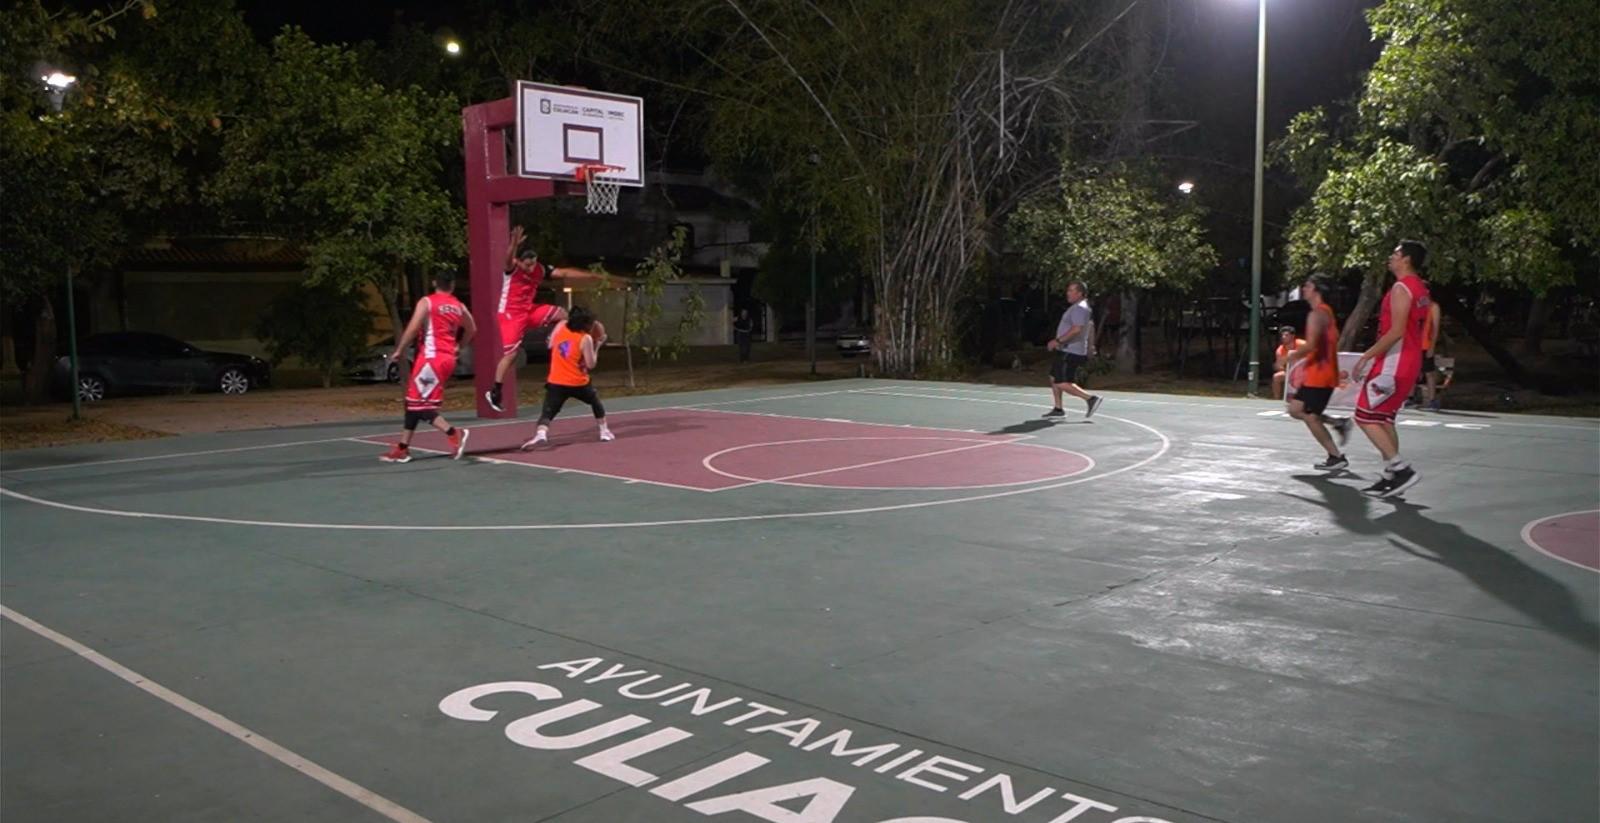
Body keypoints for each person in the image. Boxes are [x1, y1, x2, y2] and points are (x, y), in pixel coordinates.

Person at [486, 225, 610, 412]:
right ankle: (495, 392)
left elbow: (565, 273)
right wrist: (513, 244)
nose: (530, 268)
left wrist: (591, 275)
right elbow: (508, 256)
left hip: (529, 310)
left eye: (533, 264)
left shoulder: (540, 270)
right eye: (527, 265)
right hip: (510, 314)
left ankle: (555, 338)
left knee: (562, 314)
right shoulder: (512, 267)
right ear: (520, 261)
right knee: (511, 355)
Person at [1351, 240, 1433, 498]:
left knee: (1364, 417)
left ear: (1406, 259)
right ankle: (1390, 476)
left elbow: (1396, 332)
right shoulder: (1420, 288)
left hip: (1393, 361)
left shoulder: (1401, 288)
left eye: (1395, 253)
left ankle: (1400, 468)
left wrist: (1365, 356)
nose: (1391, 257)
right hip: (1409, 361)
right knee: (1385, 419)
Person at [381, 271, 477, 463]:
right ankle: (403, 447)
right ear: (452, 286)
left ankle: (453, 433)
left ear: (435, 283)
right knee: (413, 402)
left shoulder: (427, 302)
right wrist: (459, 345)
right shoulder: (459, 306)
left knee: (420, 406)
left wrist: (400, 349)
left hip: (431, 359)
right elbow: (472, 329)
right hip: (446, 358)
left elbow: (413, 327)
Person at [1284, 275, 1352, 470]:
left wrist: (1289, 357)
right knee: (1296, 410)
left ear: (1316, 289)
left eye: (1307, 285)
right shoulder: (1325, 313)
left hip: (1321, 375)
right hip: (1319, 372)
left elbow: (1311, 345)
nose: (1304, 288)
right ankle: (1337, 423)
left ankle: (1336, 456)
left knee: (1310, 415)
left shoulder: (1317, 314)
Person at [520, 306, 612, 449]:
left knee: (548, 412)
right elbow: (591, 364)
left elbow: (550, 344)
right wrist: (598, 345)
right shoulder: (585, 338)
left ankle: (541, 434)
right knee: (595, 402)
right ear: (585, 324)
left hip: (556, 380)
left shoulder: (561, 325)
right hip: (577, 381)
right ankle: (604, 431)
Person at [1043, 280, 1104, 420]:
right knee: (1053, 377)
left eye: (1071, 290)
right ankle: (1058, 409)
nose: (1068, 293)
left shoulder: (1080, 308)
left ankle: (1091, 399)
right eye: (1068, 290)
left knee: (1061, 381)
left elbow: (1076, 329)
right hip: (1067, 349)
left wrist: (1057, 341)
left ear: (1080, 293)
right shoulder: (1080, 307)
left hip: (1071, 350)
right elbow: (1090, 327)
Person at [1420, 299, 1443, 411]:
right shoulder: (1414, 305)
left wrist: (1432, 347)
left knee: (1429, 373)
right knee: (1410, 372)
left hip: (1425, 344)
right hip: (1413, 344)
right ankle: (1408, 398)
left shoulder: (1433, 306)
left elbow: (1435, 328)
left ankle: (1432, 400)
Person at [1271, 326, 1305, 400]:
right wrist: (1279, 366)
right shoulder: (1280, 350)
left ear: (1293, 336)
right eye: (1282, 335)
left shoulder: (1302, 344)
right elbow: (1279, 366)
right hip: (1290, 372)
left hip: (1306, 371)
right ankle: (1276, 400)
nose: (1283, 337)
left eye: (1286, 335)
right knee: (1276, 377)